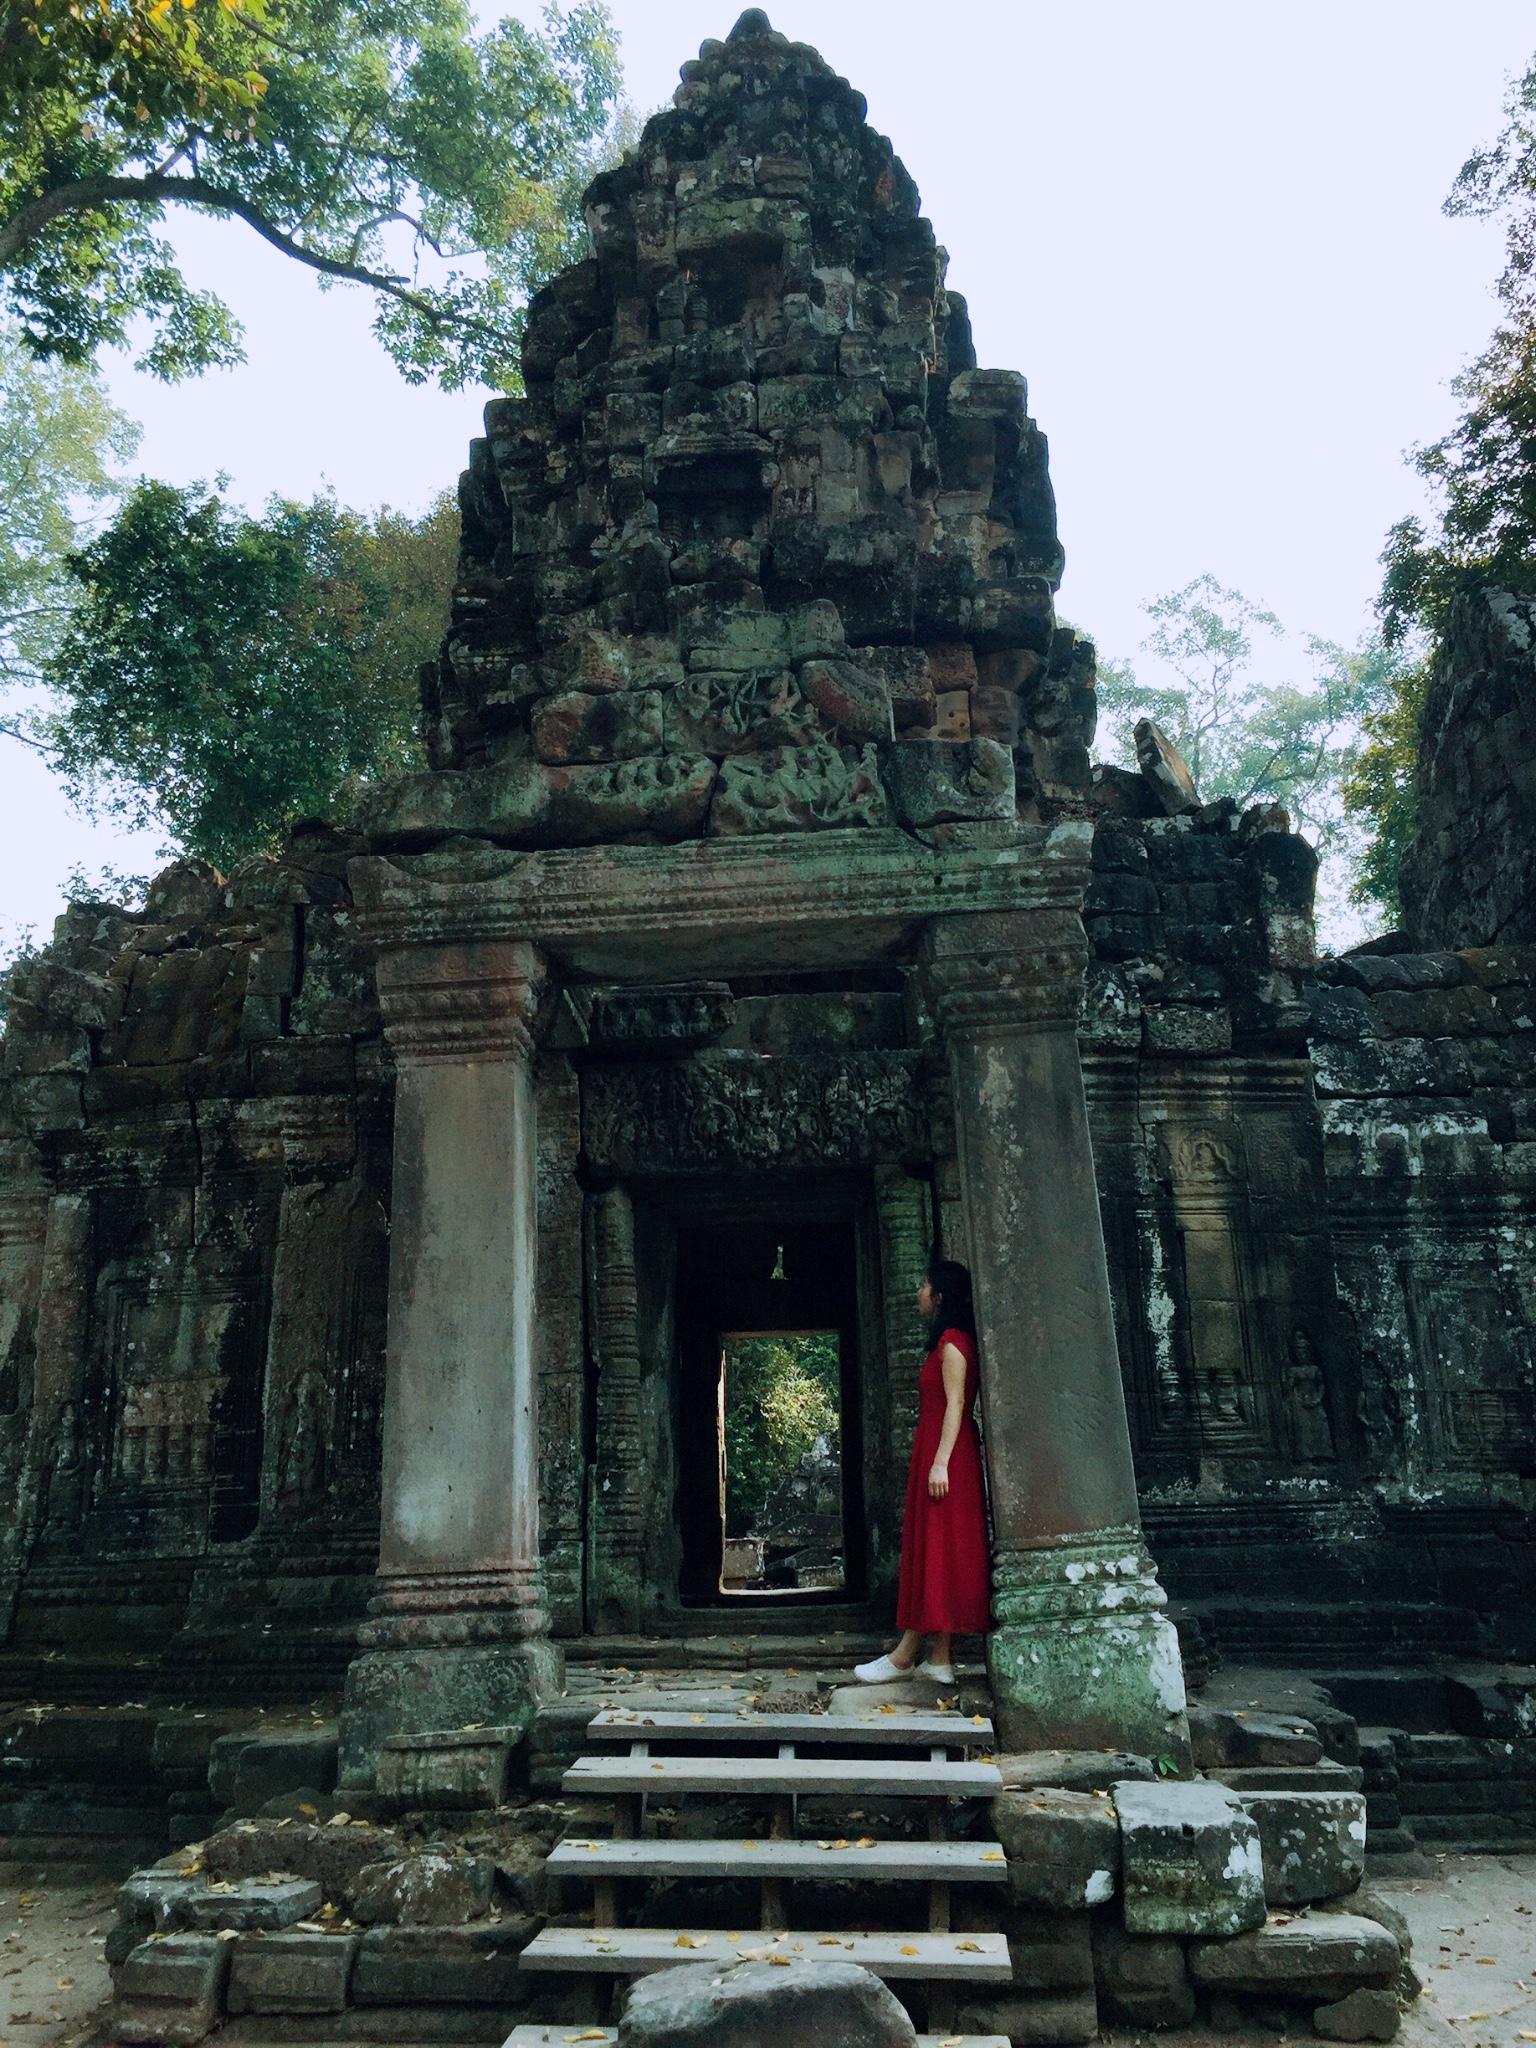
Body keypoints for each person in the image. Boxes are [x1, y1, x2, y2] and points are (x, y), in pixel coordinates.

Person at [854, 1258, 991, 1686]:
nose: (919, 1292)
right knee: (942, 1548)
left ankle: (904, 1655)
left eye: (924, 1285)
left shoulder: (952, 1343)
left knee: (936, 1549)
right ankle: (940, 1659)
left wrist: (939, 1462)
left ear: (941, 1295)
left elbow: (956, 1405)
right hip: (944, 1451)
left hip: (946, 1453)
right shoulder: (953, 1341)